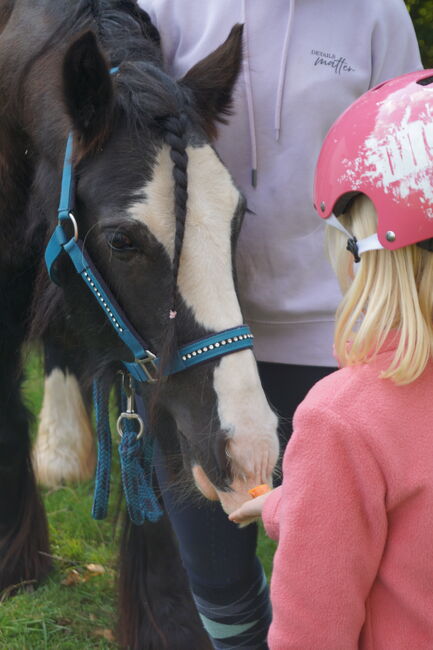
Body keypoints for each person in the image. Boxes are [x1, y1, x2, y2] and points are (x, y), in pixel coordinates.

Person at [138, 1, 422, 648]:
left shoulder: (376, 15)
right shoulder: (163, 8)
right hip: (197, 353)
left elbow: (412, 170)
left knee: (357, 582)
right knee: (218, 586)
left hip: (346, 348)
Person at [230, 68, 433, 648]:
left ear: (363, 256)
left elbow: (310, 635)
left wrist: (313, 494)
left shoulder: (343, 422)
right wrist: (295, 502)